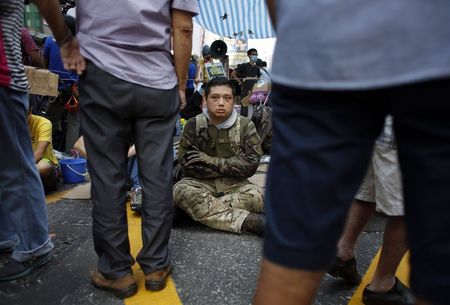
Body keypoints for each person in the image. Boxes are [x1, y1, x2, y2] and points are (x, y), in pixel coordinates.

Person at [254, 2, 450, 305]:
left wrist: (301, 31)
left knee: (290, 254)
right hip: (434, 46)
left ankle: (344, 251)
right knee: (417, 220)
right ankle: (381, 282)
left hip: (318, 47)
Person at [56, 0, 198, 298]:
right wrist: (181, 85)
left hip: (102, 75)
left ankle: (116, 271)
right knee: (157, 176)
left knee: (108, 177)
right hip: (157, 81)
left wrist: (65, 38)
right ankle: (156, 265)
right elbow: (183, 27)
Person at [0, 0, 73, 282]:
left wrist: (64, 38)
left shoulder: (30, 35)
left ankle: (33, 245)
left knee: (14, 168)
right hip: (16, 84)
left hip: (5, 82)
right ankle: (9, 235)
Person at [328, 117, 413, 305]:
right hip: (404, 130)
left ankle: (342, 252)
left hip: (374, 125)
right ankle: (383, 285)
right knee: (408, 209)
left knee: (367, 192)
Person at [173, 77, 265, 236]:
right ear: (205, 99)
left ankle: (194, 213)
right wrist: (233, 166)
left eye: (227, 98)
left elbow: (250, 165)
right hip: (199, 185)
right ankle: (250, 222)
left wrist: (209, 161)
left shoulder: (245, 125)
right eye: (215, 97)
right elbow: (189, 166)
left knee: (257, 197)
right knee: (181, 191)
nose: (221, 102)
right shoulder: (194, 125)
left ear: (234, 101)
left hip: (236, 185)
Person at [43, 15, 80, 152]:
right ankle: (71, 155)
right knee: (74, 123)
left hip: (55, 87)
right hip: (74, 90)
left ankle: (46, 150)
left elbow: (45, 62)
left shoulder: (49, 41)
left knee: (50, 120)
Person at [28, 105, 60, 193]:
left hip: (43, 165)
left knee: (42, 167)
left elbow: (39, 154)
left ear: (30, 111)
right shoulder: (11, 125)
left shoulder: (43, 123)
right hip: (22, 166)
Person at [231, 48, 261, 116]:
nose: (255, 56)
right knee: (244, 111)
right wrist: (240, 82)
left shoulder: (257, 68)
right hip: (245, 92)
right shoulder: (244, 66)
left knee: (254, 111)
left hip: (254, 92)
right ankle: (243, 125)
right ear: (248, 55)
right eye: (253, 54)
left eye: (256, 54)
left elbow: (259, 78)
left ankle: (252, 125)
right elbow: (233, 74)